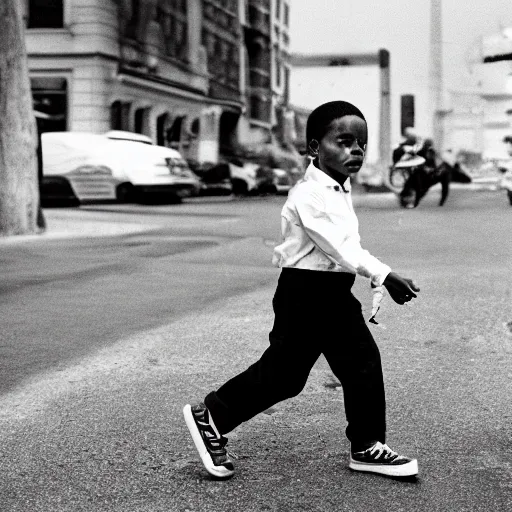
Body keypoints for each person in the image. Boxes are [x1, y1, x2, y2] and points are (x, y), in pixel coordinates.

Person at [183, 101, 421, 480]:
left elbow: (345, 248)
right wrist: (384, 275)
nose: (355, 151)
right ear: (314, 148)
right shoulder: (308, 194)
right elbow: (337, 247)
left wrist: (379, 274)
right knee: (284, 377)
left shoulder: (337, 188)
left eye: (360, 143)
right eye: (343, 142)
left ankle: (366, 446)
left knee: (361, 362)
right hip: (305, 294)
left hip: (332, 292)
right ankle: (211, 415)